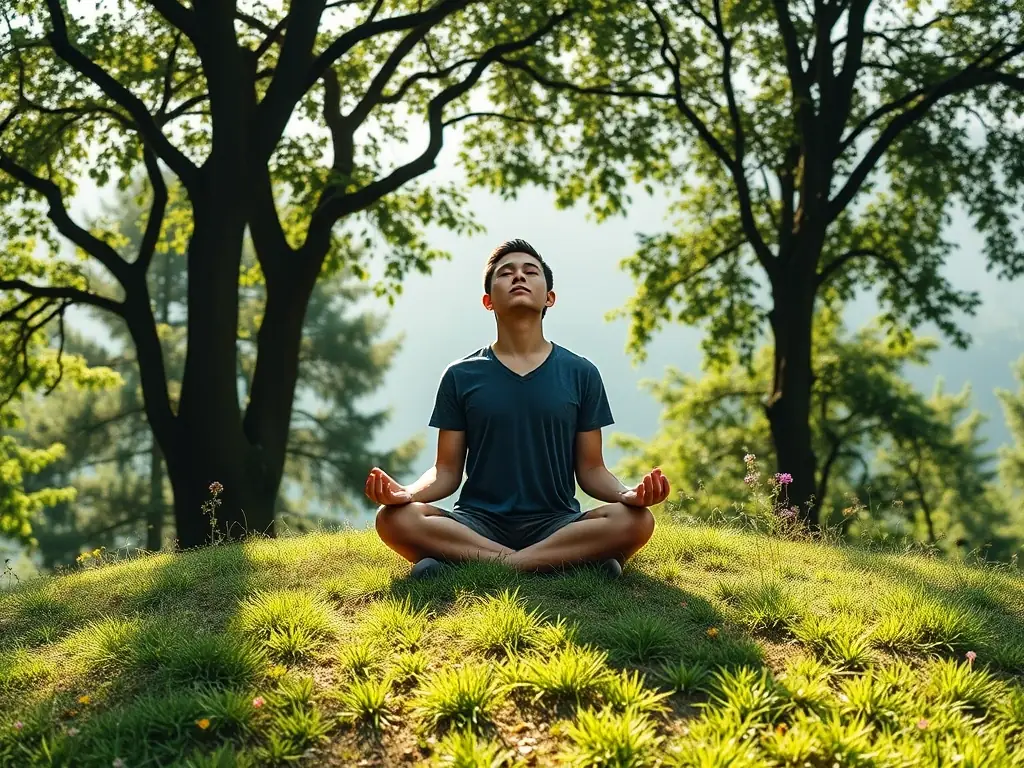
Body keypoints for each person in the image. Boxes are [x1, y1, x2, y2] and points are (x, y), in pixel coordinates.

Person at [367, 238, 670, 578]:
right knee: (392, 518)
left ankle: (473, 562)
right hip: (476, 522)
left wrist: (627, 494)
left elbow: (592, 470)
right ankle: (564, 562)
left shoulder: (581, 373)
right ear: (488, 301)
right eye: (505, 273)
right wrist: (405, 493)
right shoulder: (460, 375)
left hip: (557, 522)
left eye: (531, 271)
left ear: (549, 298)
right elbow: (447, 471)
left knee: (636, 520)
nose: (519, 277)